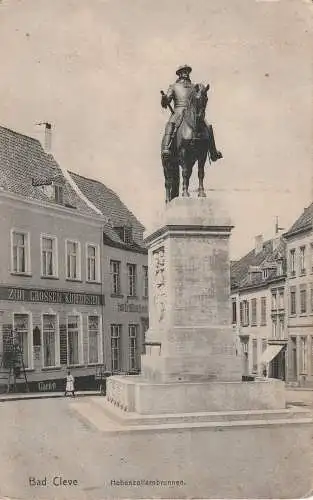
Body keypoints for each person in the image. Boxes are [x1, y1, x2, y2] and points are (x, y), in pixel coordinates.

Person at [161, 64, 223, 160]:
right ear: (180, 74)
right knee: (170, 124)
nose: (186, 73)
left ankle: (213, 151)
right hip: (178, 111)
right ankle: (166, 148)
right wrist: (164, 99)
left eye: (187, 71)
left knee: (207, 126)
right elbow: (166, 103)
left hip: (192, 112)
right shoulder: (173, 86)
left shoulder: (194, 87)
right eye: (184, 71)